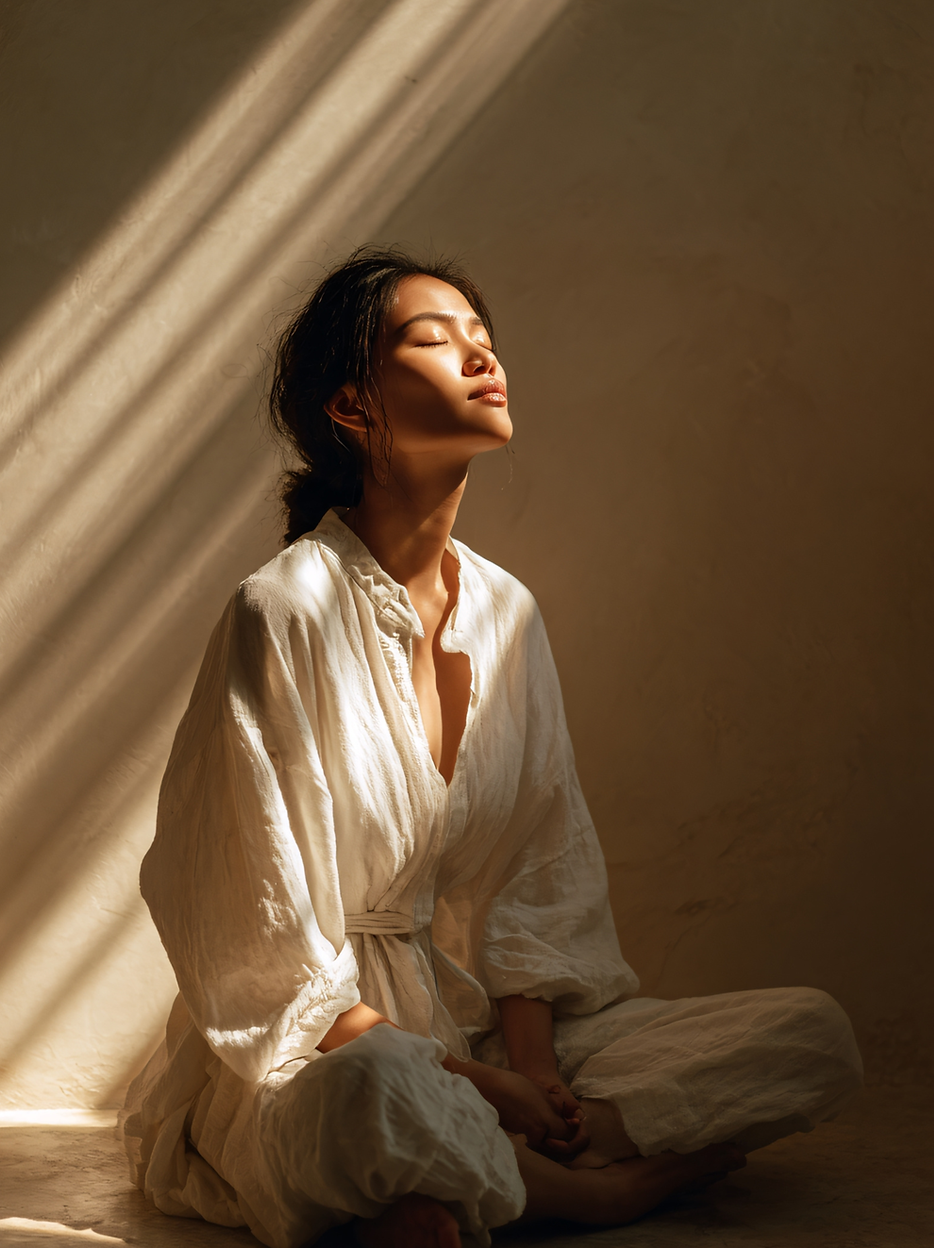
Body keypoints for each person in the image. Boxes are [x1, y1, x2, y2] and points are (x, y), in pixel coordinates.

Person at [120, 247, 863, 1248]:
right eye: (436, 341)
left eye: (484, 339)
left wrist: (539, 1079)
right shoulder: (280, 612)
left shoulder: (505, 611)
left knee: (806, 1031)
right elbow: (260, 954)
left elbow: (534, 884)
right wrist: (481, 1088)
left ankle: (471, 1180)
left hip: (469, 1024)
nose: (481, 358)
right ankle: (594, 1190)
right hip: (320, 1054)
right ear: (351, 407)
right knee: (373, 1096)